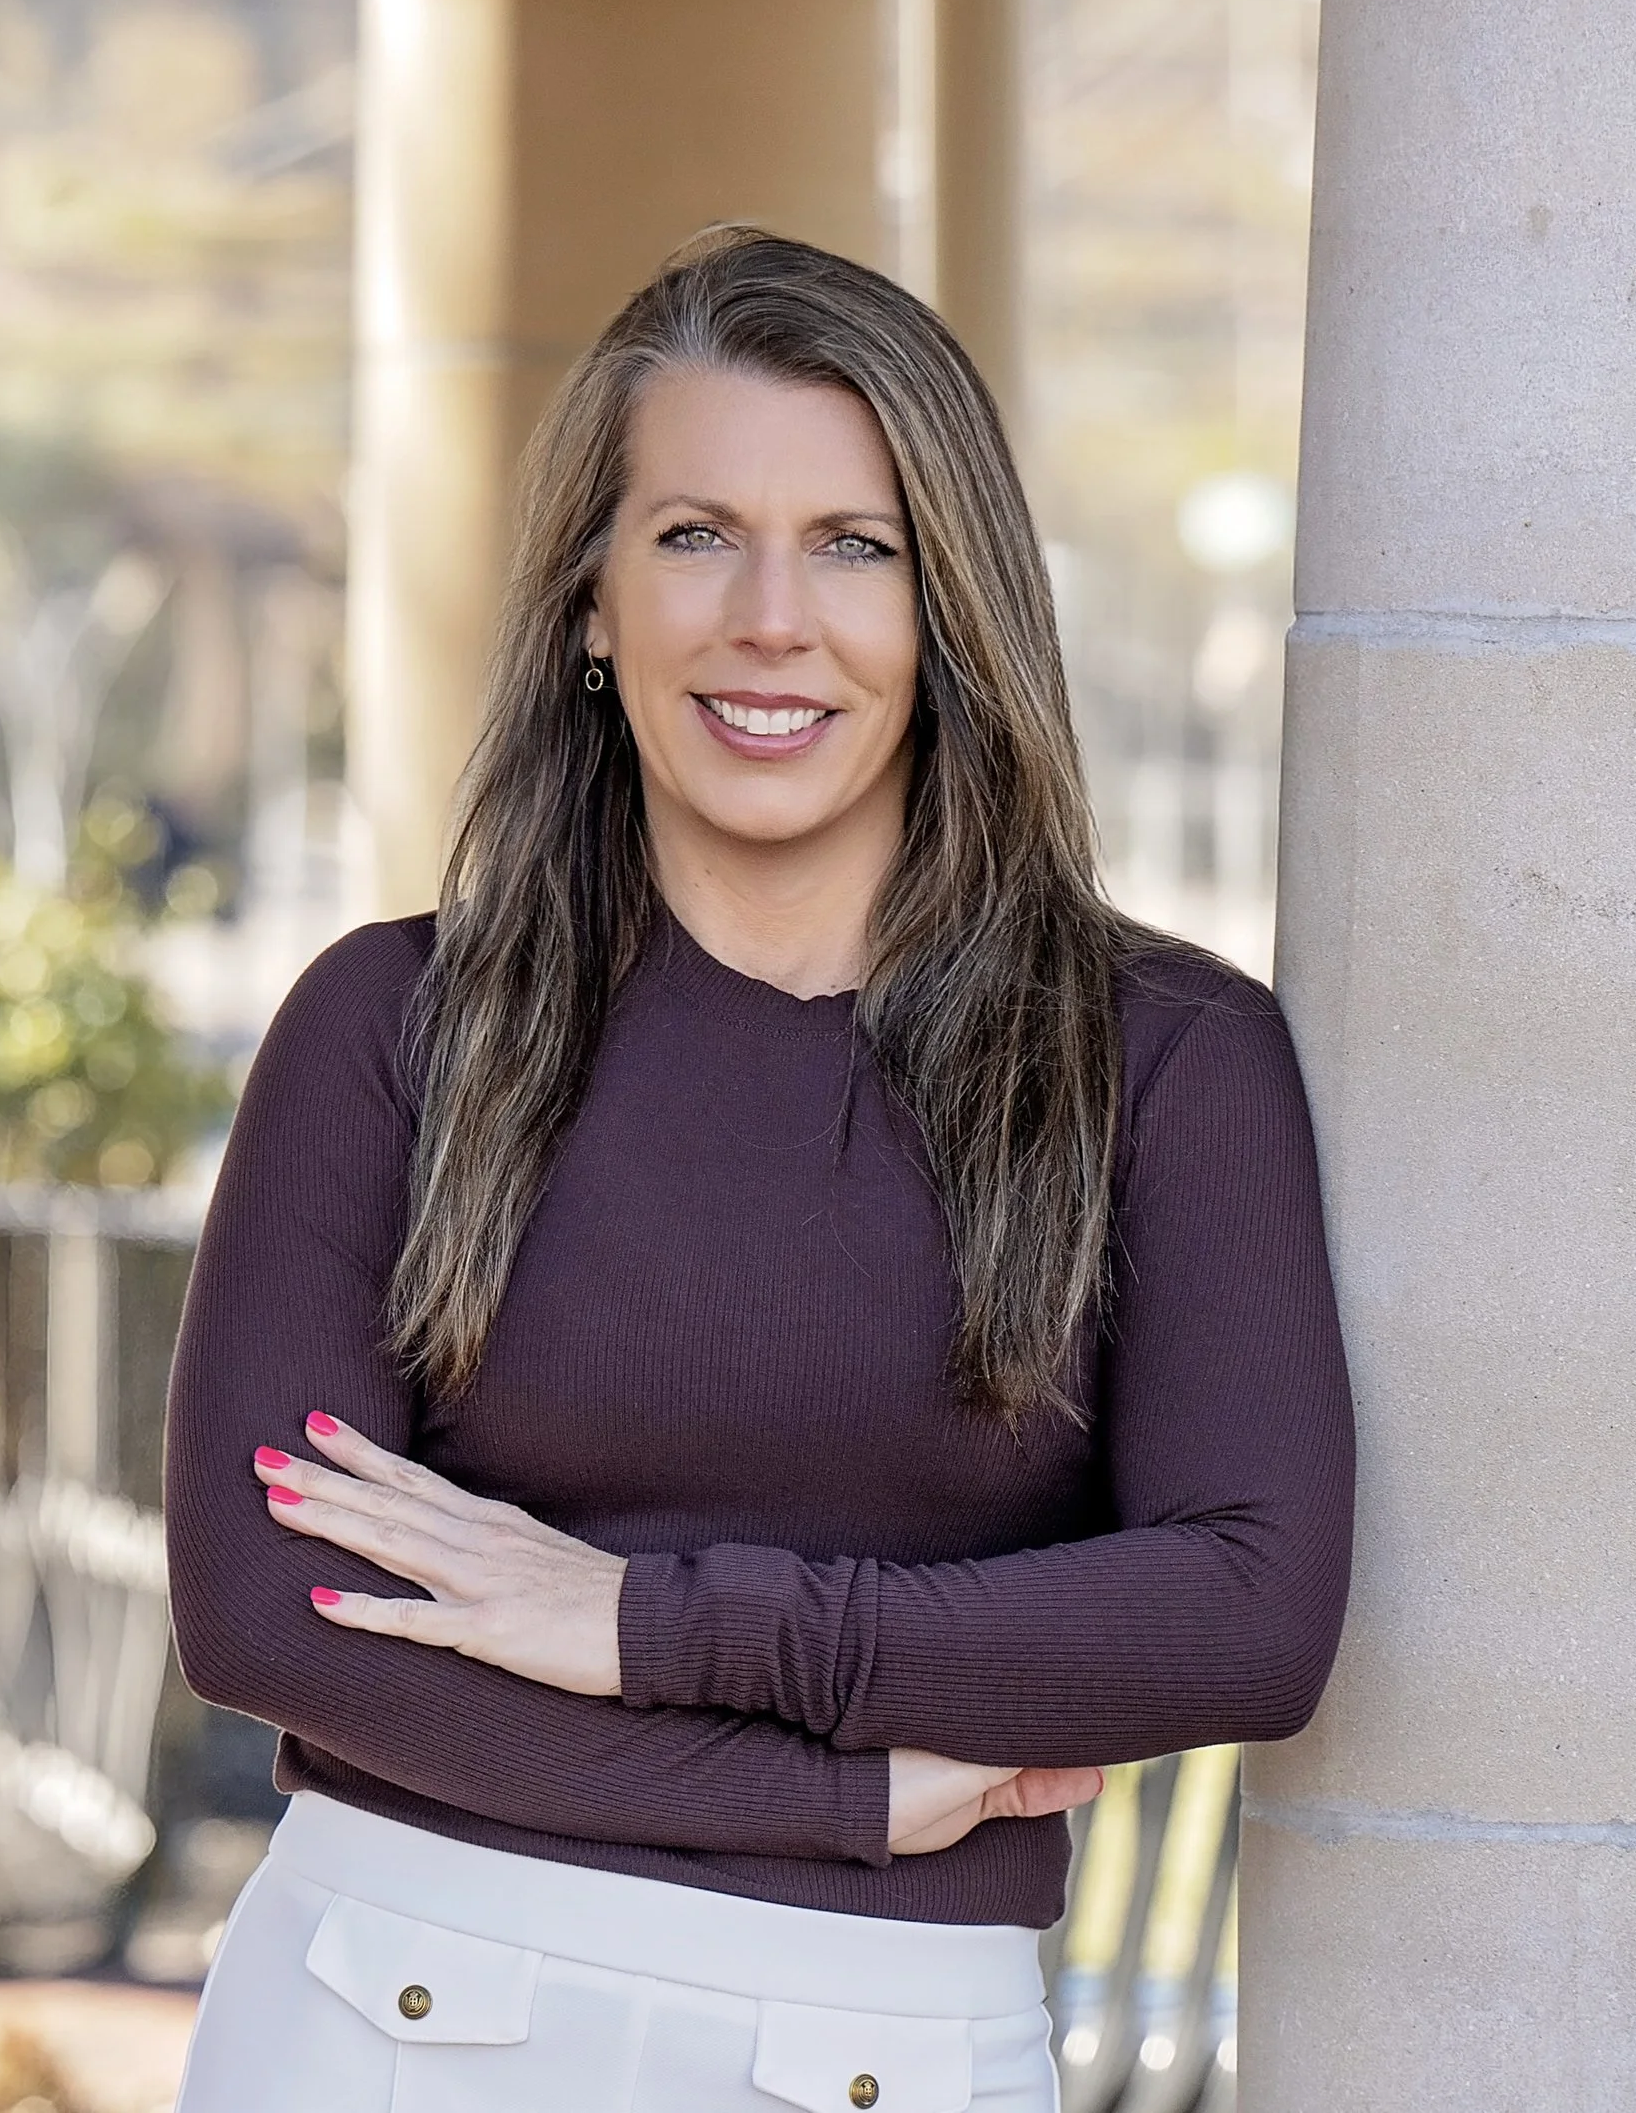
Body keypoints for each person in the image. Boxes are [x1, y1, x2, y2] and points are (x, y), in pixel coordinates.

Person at [163, 225, 1354, 2113]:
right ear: (592, 602)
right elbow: (267, 1616)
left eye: (855, 546)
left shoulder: (1164, 1060)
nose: (771, 620)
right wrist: (838, 1795)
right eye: (696, 534)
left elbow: (1247, 1615)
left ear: (952, 608)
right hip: (383, 2007)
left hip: (888, 2049)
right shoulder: (393, 1026)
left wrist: (641, 1623)